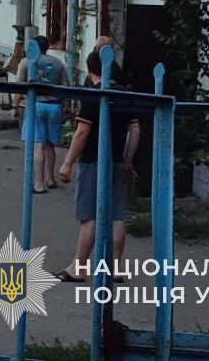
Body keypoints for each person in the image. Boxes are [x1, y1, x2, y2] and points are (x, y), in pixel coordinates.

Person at [54, 46, 141, 283]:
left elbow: (82, 131)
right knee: (116, 215)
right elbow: (135, 130)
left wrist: (67, 163)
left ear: (91, 70)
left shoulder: (94, 94)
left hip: (93, 161)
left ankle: (78, 267)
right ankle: (116, 267)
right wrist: (126, 160)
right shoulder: (125, 94)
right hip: (117, 160)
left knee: (89, 216)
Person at [14, 36, 71, 193]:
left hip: (36, 105)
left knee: (39, 144)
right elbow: (66, 86)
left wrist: (15, 106)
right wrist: (67, 105)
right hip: (54, 106)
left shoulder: (26, 62)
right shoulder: (58, 63)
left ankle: (38, 183)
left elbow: (19, 87)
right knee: (50, 144)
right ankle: (50, 179)